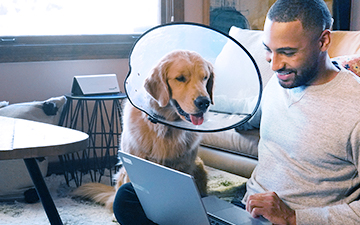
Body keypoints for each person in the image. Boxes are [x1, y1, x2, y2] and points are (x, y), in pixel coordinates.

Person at [113, 0, 360, 224]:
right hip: (243, 210)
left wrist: (294, 217)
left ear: (324, 41)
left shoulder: (354, 109)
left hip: (293, 219)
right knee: (128, 197)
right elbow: (248, 112)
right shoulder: (282, 81)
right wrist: (188, 101)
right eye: (269, 50)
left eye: (287, 52)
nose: (274, 65)